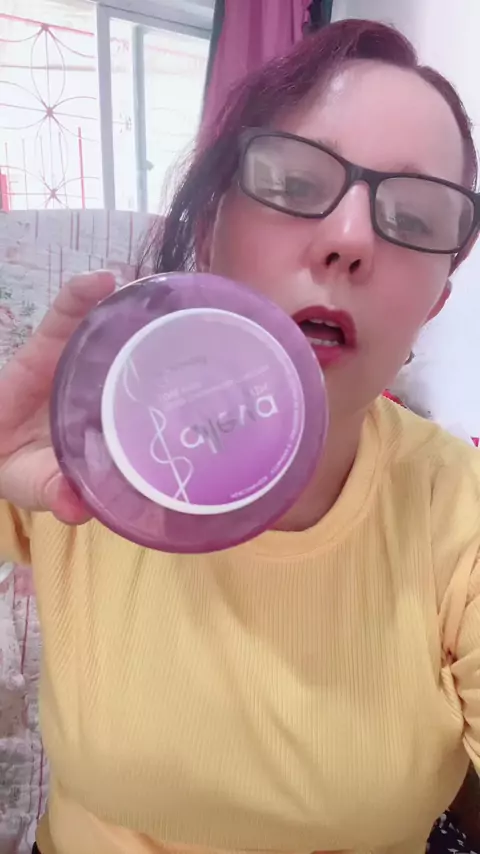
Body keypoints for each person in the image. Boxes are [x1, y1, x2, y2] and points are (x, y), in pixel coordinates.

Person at [1, 17, 480, 854]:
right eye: (293, 183)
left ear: (433, 304)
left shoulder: (459, 511)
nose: (349, 240)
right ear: (210, 229)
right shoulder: (84, 443)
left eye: (414, 215)